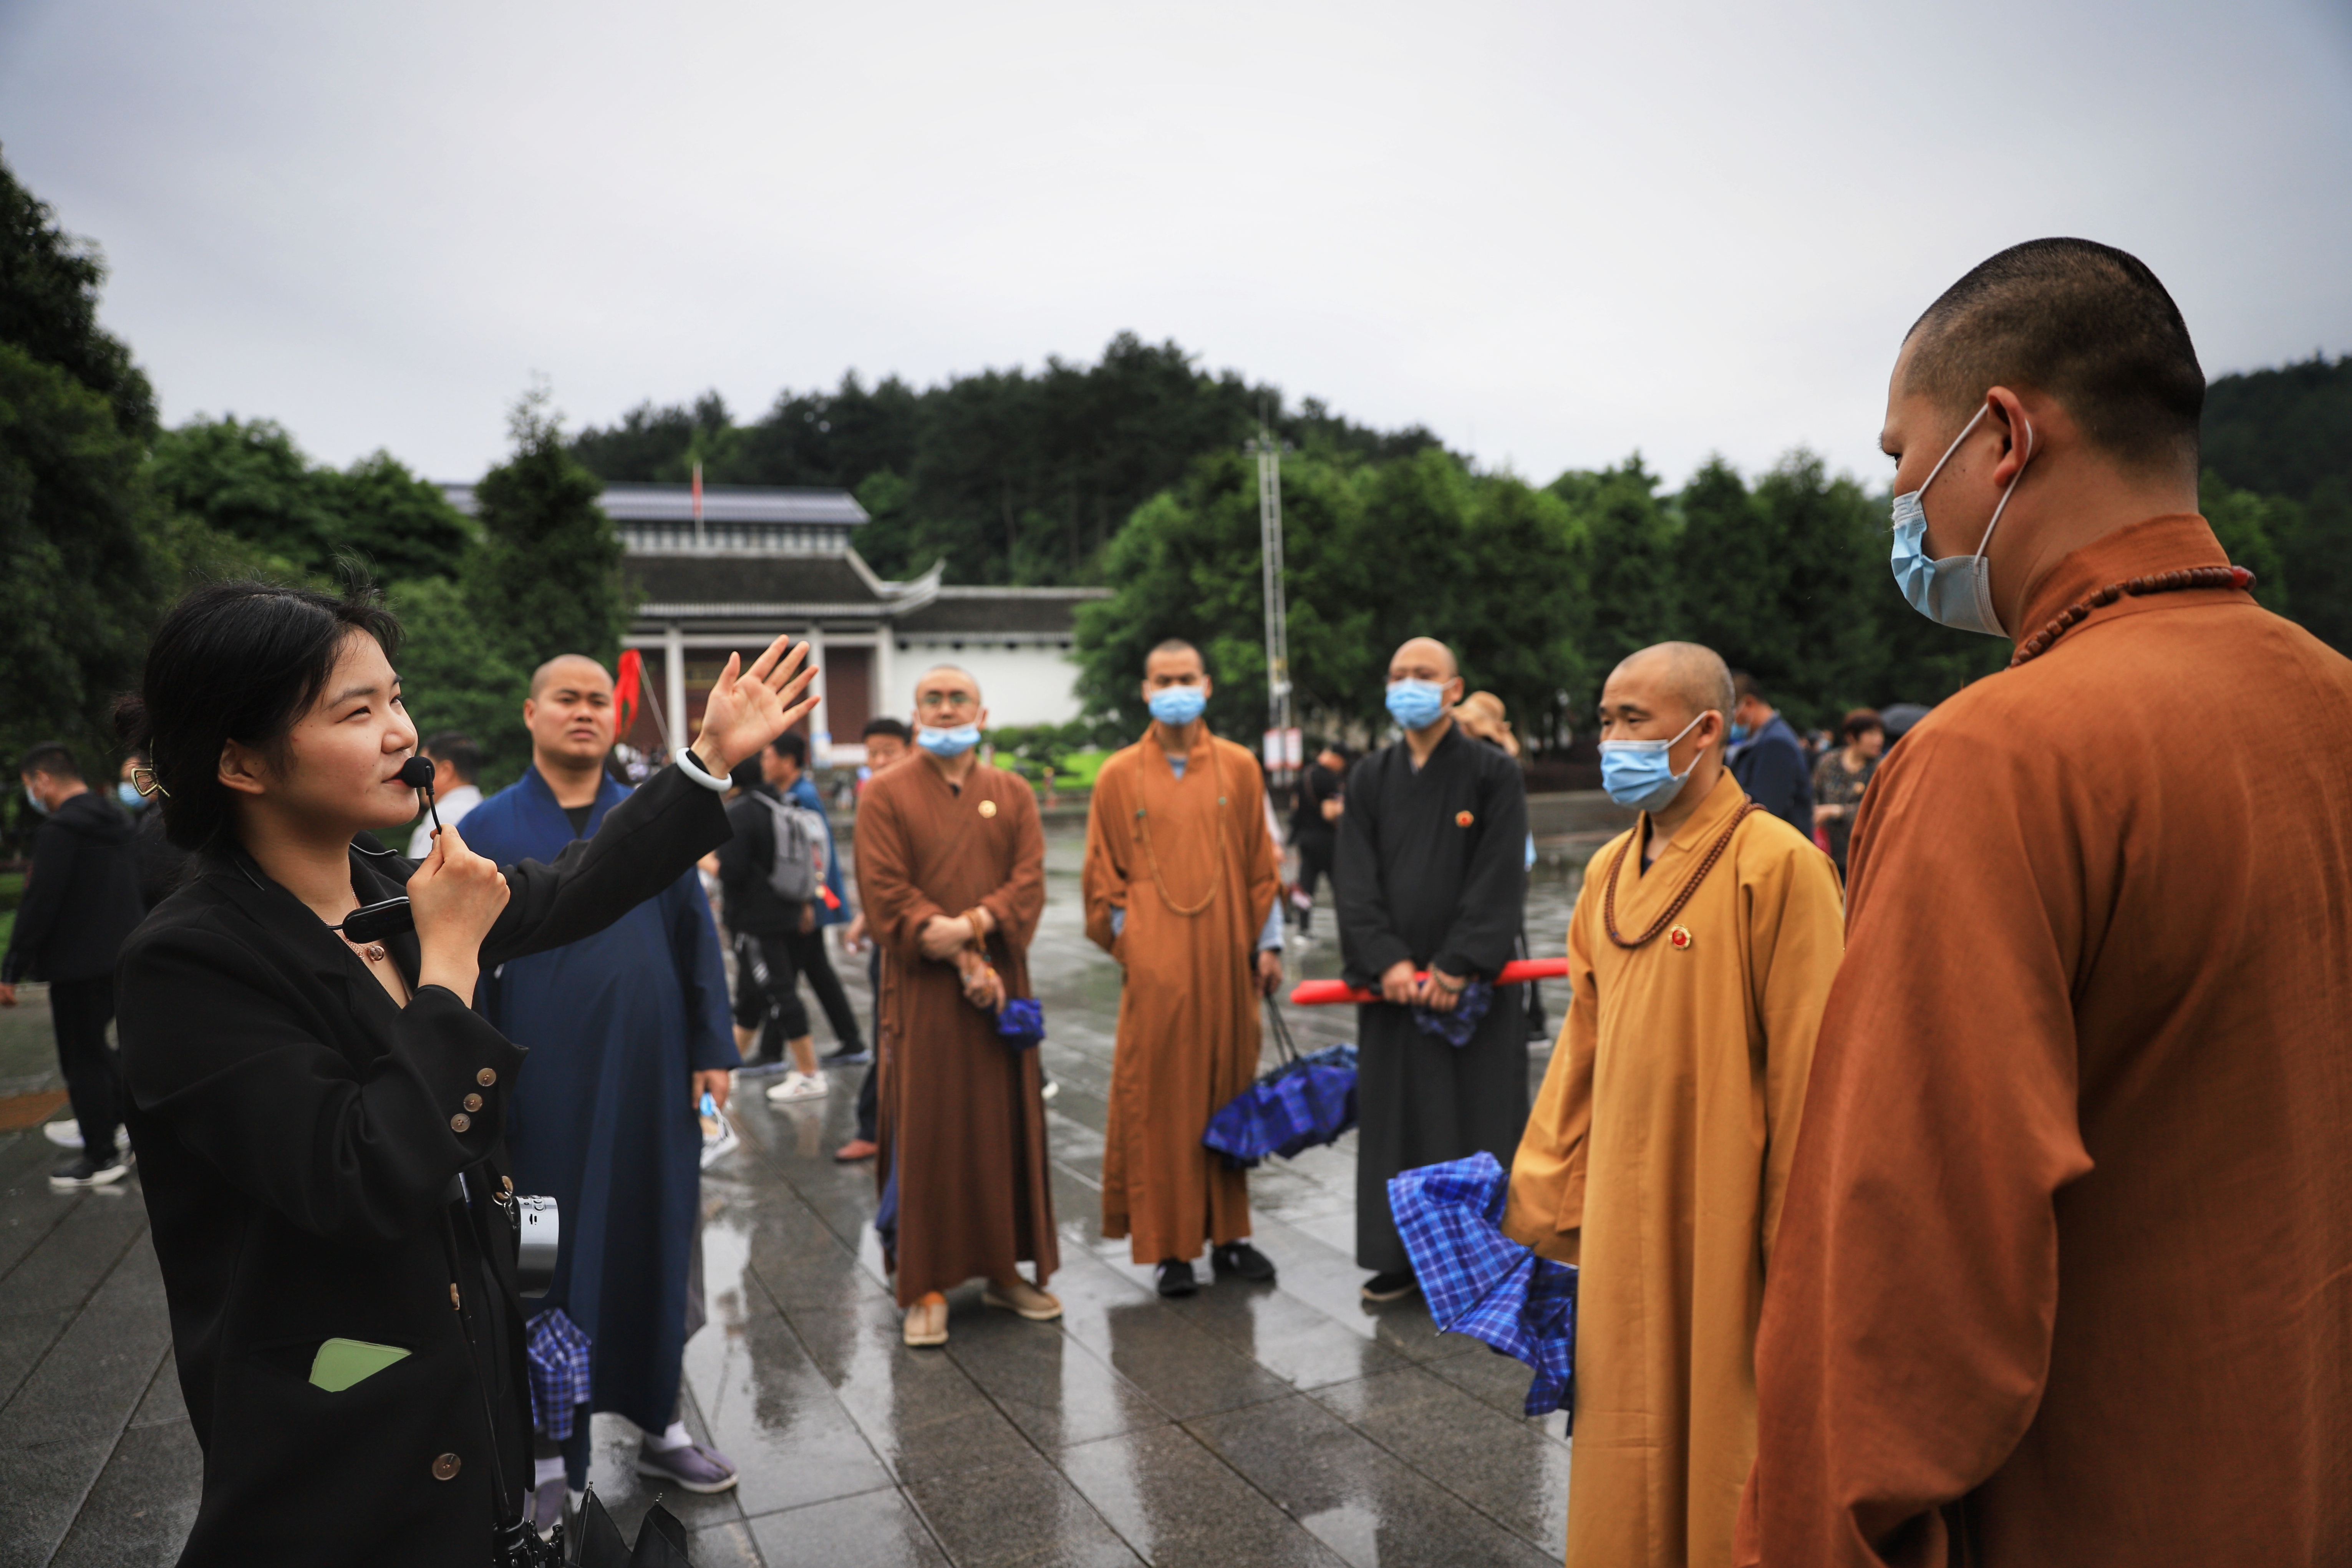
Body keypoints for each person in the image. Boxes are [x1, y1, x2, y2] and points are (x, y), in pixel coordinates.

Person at [1737, 239, 2352, 1567]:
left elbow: (1900, 1292)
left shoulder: (1992, 762)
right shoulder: (2331, 701)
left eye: (1903, 462)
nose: (1902, 506)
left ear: (2002, 436)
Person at [110, 578, 811, 1565]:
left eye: (396, 699)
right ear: (238, 759)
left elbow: (572, 888)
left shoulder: (390, 890)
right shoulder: (191, 961)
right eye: (357, 710)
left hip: (467, 1403)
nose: (402, 731)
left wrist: (704, 763)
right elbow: (357, 1171)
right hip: (341, 1442)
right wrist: (447, 969)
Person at [1503, 642, 1844, 1568]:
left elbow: (1817, 1076)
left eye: (1632, 722)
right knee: (1622, 1426)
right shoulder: (1605, 872)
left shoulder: (1779, 867)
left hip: (1727, 1216)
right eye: (1605, 721)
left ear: (1708, 731)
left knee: (1727, 1438)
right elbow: (1577, 1050)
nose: (1611, 740)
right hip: (1620, 1210)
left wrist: (1797, 1252)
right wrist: (1541, 1199)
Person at [459, 653, 746, 1523]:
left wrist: (713, 1048)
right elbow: (461, 970)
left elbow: (696, 939)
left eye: (597, 700)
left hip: (650, 1086)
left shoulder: (652, 821)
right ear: (530, 711)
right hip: (537, 1095)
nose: (584, 712)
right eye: (566, 699)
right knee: (538, 1258)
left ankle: (658, 1421)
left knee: (653, 1237)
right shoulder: (490, 827)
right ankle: (547, 1446)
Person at [854, 664, 1056, 1347]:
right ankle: (924, 1284)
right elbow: (884, 889)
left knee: (1003, 1129)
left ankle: (1003, 1271)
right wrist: (961, 954)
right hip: (925, 991)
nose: (945, 709)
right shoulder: (884, 793)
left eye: (957, 698)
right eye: (931, 699)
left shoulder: (1013, 792)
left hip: (1002, 989)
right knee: (927, 1133)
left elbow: (1028, 881)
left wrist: (972, 925)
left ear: (982, 711)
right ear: (915, 714)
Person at [1082, 640, 1284, 1297]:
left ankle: (1231, 1237)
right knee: (1161, 1103)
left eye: (1185, 678)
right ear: (1145, 690)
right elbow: (1100, 878)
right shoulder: (1116, 774)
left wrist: (1268, 944)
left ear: (1207, 685)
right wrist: (1137, 943)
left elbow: (1263, 863)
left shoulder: (1239, 766)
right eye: (1163, 679)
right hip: (1156, 969)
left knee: (1229, 1090)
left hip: (1228, 958)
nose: (1175, 688)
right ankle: (1171, 1248)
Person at [1334, 636, 1530, 1301]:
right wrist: (1385, 958)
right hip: (1393, 991)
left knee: (1478, 1117)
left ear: (1453, 688)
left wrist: (1456, 964)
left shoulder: (1491, 772)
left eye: (1423, 674)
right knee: (1397, 1123)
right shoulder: (1367, 777)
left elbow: (1500, 871)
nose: (1407, 685)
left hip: (1469, 989)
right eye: (1397, 675)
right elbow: (1352, 879)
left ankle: (1482, 1257)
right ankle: (1399, 1257)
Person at [2, 742, 146, 1186]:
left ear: (42, 780)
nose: (34, 795)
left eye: (31, 787)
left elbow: (39, 905)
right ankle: (124, 1127)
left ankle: (101, 1154)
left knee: (82, 1058)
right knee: (103, 1051)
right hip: (122, 954)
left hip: (76, 963)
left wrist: (11, 969)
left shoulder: (60, 831)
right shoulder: (119, 821)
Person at [835, 716, 910, 1164]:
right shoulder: (876, 800)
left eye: (889, 751)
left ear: (910, 749)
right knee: (888, 1033)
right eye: (873, 752)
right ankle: (874, 1126)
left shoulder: (920, 798)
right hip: (892, 938)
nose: (879, 761)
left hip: (927, 935)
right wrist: (867, 914)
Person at [1725, 673, 1813, 831]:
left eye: (1731, 715)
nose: (1730, 723)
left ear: (1749, 704)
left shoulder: (1777, 743)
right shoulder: (1763, 739)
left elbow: (1765, 808)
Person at [1807, 709, 1883, 876]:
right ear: (1852, 737)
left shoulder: (1881, 768)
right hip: (1826, 852)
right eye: (1871, 734)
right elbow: (1812, 795)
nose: (1879, 740)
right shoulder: (1828, 763)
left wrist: (1838, 811)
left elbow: (1880, 810)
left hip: (1864, 858)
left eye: (1880, 734)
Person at [1288, 743, 1348, 936]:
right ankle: (1348, 927)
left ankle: (1303, 928)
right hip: (1326, 840)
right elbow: (1330, 813)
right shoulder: (1329, 779)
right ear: (1337, 759)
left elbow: (1295, 806)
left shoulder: (1305, 775)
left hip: (1304, 839)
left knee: (1306, 884)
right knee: (1340, 885)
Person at [405, 731, 485, 858]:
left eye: (425, 768)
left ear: (445, 771)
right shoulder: (488, 811)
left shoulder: (442, 815)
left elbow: (423, 873)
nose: (419, 779)